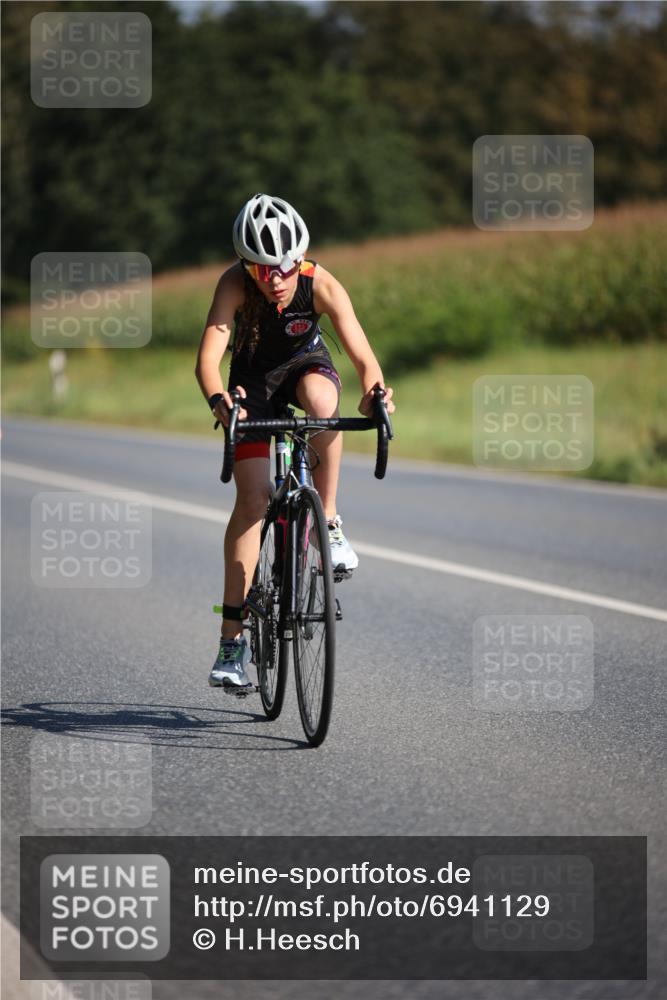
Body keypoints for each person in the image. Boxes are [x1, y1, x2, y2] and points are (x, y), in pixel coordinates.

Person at [195, 193, 395, 692]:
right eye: (262, 269)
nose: (275, 279)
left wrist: (374, 395)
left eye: (284, 267)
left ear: (299, 259)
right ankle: (231, 641)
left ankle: (326, 520)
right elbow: (208, 360)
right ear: (246, 265)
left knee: (323, 404)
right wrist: (220, 400)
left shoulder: (320, 283)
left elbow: (364, 357)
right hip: (252, 385)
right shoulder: (233, 284)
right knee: (254, 501)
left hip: (305, 367)